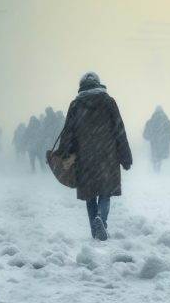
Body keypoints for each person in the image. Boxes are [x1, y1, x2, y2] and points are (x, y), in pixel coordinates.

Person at [60, 72, 132, 241]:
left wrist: (65, 154)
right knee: (106, 192)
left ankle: (95, 227)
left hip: (85, 157)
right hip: (108, 155)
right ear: (98, 83)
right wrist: (125, 156)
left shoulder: (75, 105)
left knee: (90, 194)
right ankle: (101, 218)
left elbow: (68, 133)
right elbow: (119, 130)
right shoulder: (108, 102)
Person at [143, 106, 170, 172]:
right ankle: (161, 178)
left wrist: (151, 136)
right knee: (162, 165)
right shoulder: (167, 122)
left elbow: (145, 136)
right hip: (164, 147)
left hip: (154, 147)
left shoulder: (150, 122)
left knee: (155, 161)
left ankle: (154, 176)